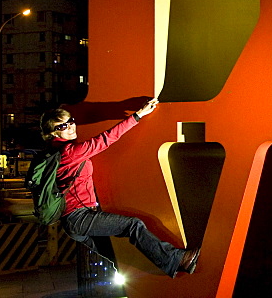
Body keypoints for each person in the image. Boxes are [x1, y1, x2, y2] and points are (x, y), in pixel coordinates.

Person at [41, 99, 199, 278]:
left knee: (118, 258)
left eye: (70, 121)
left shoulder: (54, 153)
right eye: (62, 126)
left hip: (75, 221)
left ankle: (151, 281)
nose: (70, 127)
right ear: (52, 134)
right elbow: (106, 139)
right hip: (79, 217)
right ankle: (177, 259)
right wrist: (138, 115)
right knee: (133, 225)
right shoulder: (70, 153)